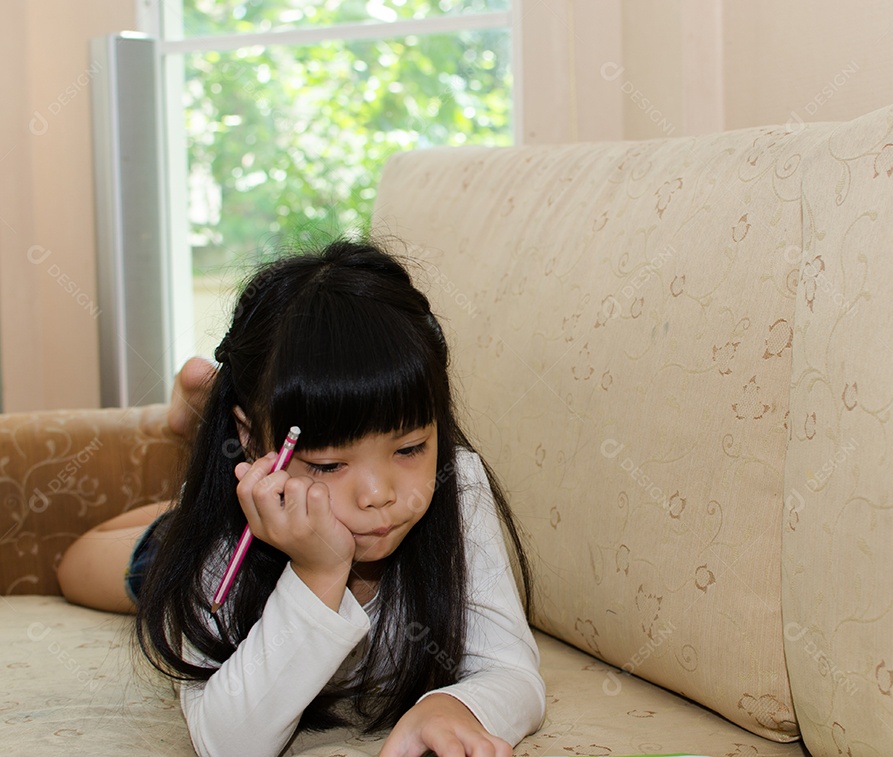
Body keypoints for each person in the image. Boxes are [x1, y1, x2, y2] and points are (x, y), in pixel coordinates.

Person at [56, 239, 544, 757]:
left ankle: (203, 409)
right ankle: (197, 423)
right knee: (75, 562)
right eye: (329, 464)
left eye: (410, 448)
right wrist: (317, 573)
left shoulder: (454, 482)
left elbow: (512, 672)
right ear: (253, 441)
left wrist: (456, 706)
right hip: (230, 528)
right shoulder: (222, 539)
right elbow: (227, 744)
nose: (379, 495)